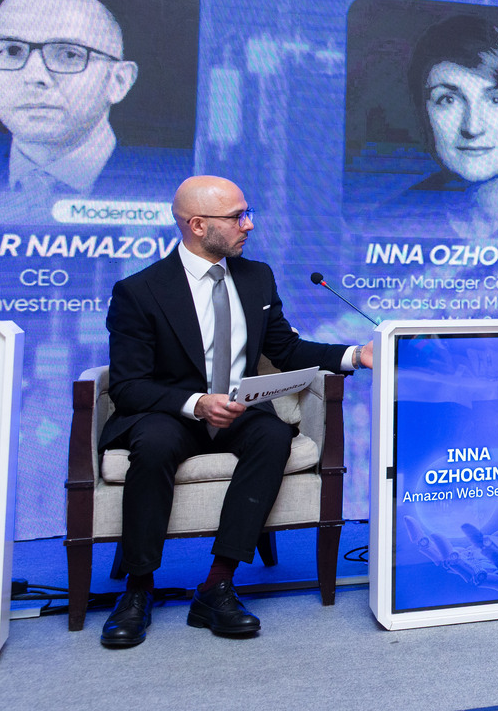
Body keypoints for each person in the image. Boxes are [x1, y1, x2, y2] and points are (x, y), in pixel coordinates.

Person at [100, 176, 375, 648]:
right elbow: (128, 386)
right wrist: (197, 404)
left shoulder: (256, 277)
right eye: (237, 217)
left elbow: (285, 350)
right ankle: (138, 588)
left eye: (248, 213)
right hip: (171, 412)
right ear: (197, 225)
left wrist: (354, 355)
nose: (249, 225)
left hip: (237, 408)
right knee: (154, 443)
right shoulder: (140, 290)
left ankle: (218, 584)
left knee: (273, 435)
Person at [381, 14, 498, 239]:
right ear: (423, 117)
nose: (472, 127)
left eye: (497, 100)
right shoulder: (391, 222)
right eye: (448, 100)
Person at [0, 0, 141, 197]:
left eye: (69, 54)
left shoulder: (171, 182)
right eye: (11, 51)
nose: (34, 76)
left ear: (119, 81)